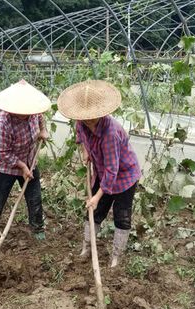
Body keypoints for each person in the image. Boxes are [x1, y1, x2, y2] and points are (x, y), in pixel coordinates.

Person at [57, 80, 141, 267]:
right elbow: (80, 136)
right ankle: (87, 247)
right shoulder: (81, 122)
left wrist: (97, 196)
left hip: (124, 177)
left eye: (91, 117)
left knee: (121, 215)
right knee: (94, 212)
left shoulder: (110, 133)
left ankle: (116, 258)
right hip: (102, 172)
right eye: (84, 117)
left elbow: (112, 170)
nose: (87, 120)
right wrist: (86, 152)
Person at [0, 80, 51, 247]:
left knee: (34, 197)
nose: (27, 114)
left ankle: (38, 228)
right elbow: (2, 152)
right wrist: (21, 166)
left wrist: (43, 130)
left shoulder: (33, 112)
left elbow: (40, 117)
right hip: (5, 167)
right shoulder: (4, 122)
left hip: (30, 161)